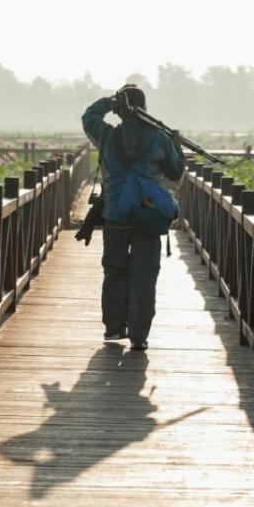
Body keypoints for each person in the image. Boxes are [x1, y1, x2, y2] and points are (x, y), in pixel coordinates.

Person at [81, 84, 184, 351]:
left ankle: (115, 328)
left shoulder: (106, 136)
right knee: (144, 274)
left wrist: (109, 102)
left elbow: (88, 117)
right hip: (149, 213)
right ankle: (139, 335)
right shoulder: (160, 139)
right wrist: (177, 147)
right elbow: (175, 173)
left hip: (116, 213)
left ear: (121, 110)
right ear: (145, 109)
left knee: (114, 270)